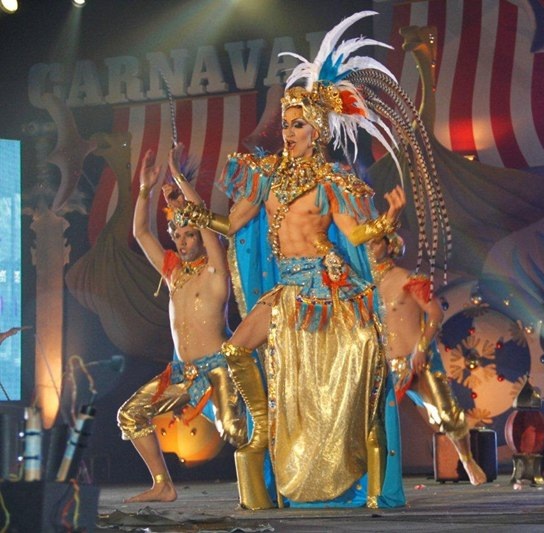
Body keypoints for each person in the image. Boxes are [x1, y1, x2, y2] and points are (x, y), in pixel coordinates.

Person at [169, 11, 437, 510]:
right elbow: (232, 226)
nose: (287, 132)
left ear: (315, 130)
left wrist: (385, 221)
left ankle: (366, 481)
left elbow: (354, 232)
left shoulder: (332, 181)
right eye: (285, 124)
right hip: (287, 290)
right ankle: (263, 429)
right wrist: (191, 204)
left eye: (296, 125)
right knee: (234, 351)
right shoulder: (266, 176)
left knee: (351, 390)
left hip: (328, 290)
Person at [117, 148, 247, 503]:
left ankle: (273, 483)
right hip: (181, 375)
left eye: (190, 235)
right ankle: (163, 484)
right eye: (178, 235)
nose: (183, 241)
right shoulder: (173, 275)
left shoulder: (215, 270)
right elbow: (142, 232)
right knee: (129, 415)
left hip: (218, 370)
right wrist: (145, 189)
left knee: (235, 431)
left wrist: (181, 184)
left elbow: (207, 224)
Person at [369, 233, 487, 486]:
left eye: (376, 242)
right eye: (367, 243)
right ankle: (375, 477)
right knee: (373, 420)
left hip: (418, 359)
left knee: (447, 413)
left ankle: (466, 459)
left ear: (390, 246)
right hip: (386, 363)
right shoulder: (364, 285)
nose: (370, 247)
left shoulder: (408, 279)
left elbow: (435, 313)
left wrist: (421, 348)